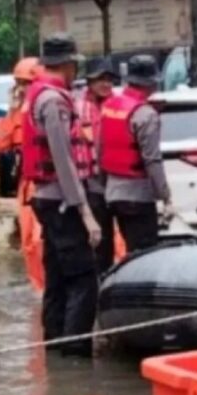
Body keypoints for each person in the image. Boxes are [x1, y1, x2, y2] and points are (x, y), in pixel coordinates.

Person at [23, 33, 101, 357]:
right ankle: (75, 351)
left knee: (56, 275)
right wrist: (86, 214)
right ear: (67, 65)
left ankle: (55, 346)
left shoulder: (36, 95)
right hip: (60, 201)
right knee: (84, 277)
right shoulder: (54, 101)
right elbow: (63, 160)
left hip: (46, 198)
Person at [101, 54, 173, 252]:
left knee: (127, 248)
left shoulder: (109, 106)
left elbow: (101, 149)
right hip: (138, 197)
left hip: (112, 193)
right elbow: (152, 161)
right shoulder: (145, 114)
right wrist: (165, 197)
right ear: (150, 83)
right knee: (144, 254)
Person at [0, 57, 44, 291]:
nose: (23, 88)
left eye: (27, 82)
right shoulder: (17, 114)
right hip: (25, 186)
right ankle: (39, 290)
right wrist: (13, 109)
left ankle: (50, 288)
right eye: (19, 83)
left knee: (40, 240)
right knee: (28, 242)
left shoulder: (47, 108)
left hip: (45, 184)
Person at [75, 58, 119, 273]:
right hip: (90, 182)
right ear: (90, 81)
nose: (106, 84)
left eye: (109, 79)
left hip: (116, 181)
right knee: (97, 241)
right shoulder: (78, 107)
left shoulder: (117, 105)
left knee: (114, 241)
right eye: (101, 79)